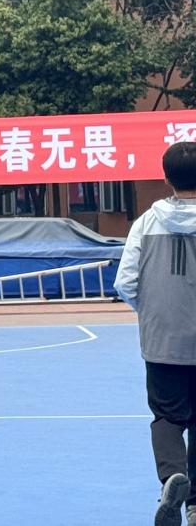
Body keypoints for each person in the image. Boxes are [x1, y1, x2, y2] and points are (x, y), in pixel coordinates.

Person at [115, 141, 196, 526]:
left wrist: (151, 313)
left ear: (166, 178)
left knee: (166, 416)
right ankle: (195, 504)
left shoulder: (146, 223)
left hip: (163, 339)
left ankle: (172, 477)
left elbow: (125, 282)